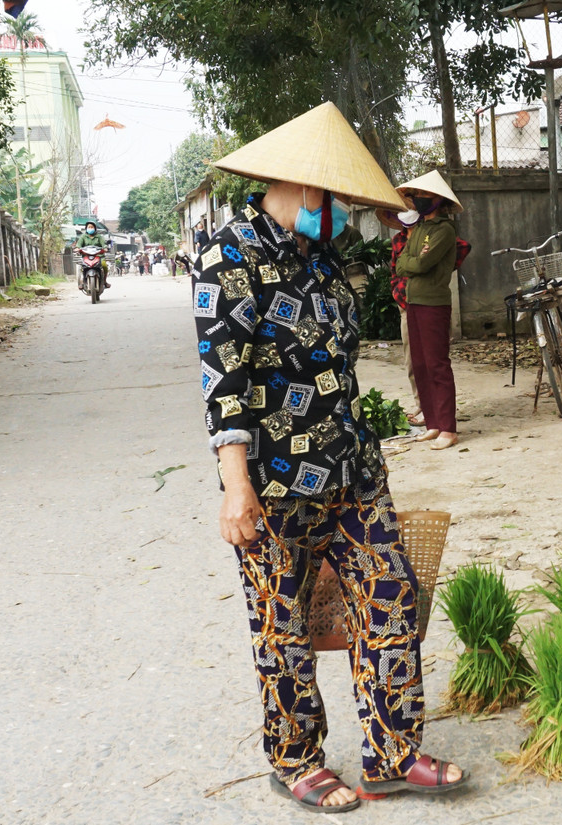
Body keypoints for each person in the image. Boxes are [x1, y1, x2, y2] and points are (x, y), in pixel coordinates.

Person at [193, 102, 467, 813]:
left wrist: (371, 453)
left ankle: (392, 751)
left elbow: (338, 370)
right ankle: (296, 758)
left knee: (391, 593)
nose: (342, 211)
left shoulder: (323, 257)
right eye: (336, 198)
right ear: (302, 186)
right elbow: (223, 381)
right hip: (275, 486)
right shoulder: (230, 254)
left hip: (351, 472)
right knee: (282, 626)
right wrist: (235, 485)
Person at [394, 171, 463, 451]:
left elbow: (421, 265)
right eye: (415, 196)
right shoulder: (420, 228)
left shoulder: (444, 230)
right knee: (420, 365)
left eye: (422, 195)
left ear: (437, 199)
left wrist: (411, 261)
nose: (417, 200)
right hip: (413, 301)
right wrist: (412, 260)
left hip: (434, 302)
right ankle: (433, 423)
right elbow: (402, 262)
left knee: (437, 365)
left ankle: (448, 428)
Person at [376, 204, 424, 424]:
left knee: (433, 359)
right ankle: (420, 405)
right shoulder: (397, 240)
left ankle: (436, 407)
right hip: (406, 303)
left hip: (429, 301)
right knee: (411, 358)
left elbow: (460, 248)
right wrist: (398, 294)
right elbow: (395, 271)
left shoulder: (431, 235)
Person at [74, 220, 110, 289]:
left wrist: (105, 248)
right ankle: (82, 282)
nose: (90, 228)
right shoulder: (83, 237)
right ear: (86, 228)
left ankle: (105, 281)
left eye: (92, 227)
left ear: (95, 228)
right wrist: (77, 248)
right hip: (86, 256)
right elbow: (78, 245)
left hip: (98, 256)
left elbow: (104, 245)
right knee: (82, 267)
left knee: (104, 266)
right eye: (89, 227)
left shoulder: (99, 237)